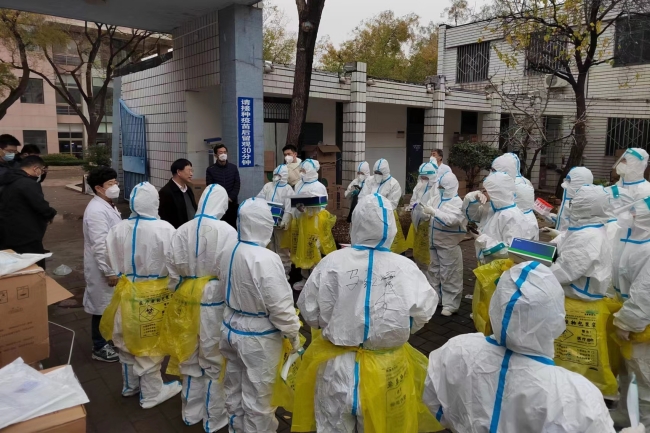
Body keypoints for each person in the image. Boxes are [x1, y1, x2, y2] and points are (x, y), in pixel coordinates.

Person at [295, 193, 437, 432]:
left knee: (332, 426)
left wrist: (335, 322)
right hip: (387, 367)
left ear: (356, 223)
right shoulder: (406, 268)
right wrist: (398, 328)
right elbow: (422, 312)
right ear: (391, 226)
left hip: (336, 365)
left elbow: (310, 312)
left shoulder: (333, 262)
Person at [423, 261, 618, 433]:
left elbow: (434, 400)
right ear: (556, 316)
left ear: (496, 304)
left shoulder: (457, 348)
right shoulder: (575, 394)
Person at [219, 198, 301, 433]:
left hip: (230, 326)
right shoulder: (266, 258)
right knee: (260, 398)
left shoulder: (229, 250)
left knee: (234, 387)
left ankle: (236, 428)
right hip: (258, 337)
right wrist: (293, 333)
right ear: (265, 223)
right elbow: (280, 306)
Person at [102, 182, 182, 408]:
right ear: (154, 202)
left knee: (125, 337)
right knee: (149, 342)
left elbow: (107, 258)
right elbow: (176, 264)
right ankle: (151, 393)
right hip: (154, 294)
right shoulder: (165, 229)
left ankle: (130, 385)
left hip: (126, 290)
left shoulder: (118, 228)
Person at [165, 184, 237, 430]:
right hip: (213, 301)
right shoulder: (227, 231)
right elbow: (230, 271)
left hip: (185, 298)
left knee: (189, 354)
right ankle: (214, 418)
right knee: (214, 357)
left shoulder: (182, 230)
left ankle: (190, 412)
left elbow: (171, 269)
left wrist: (180, 289)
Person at [612, 196, 650, 429]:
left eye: (637, 212)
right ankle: (626, 415)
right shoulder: (632, 237)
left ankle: (644, 425)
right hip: (627, 312)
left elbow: (646, 292)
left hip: (642, 323)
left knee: (644, 381)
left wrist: (627, 321)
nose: (631, 215)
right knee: (628, 373)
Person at [83, 166, 123, 363]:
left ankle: (108, 340)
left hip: (112, 263)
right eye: (110, 183)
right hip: (103, 267)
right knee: (102, 307)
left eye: (115, 182)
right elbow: (100, 244)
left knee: (109, 306)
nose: (115, 186)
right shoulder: (96, 211)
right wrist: (109, 271)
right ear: (98, 188)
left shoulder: (108, 204)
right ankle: (99, 346)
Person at [549, 185, 612, 300]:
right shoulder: (589, 227)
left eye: (574, 202)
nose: (570, 205)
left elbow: (564, 272)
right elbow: (566, 239)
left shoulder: (588, 236)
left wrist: (534, 272)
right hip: (576, 286)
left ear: (584, 207)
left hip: (578, 293)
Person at [423, 171, 467, 316]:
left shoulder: (458, 203)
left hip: (448, 244)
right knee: (434, 271)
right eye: (440, 186)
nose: (441, 189)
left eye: (444, 187)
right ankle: (435, 298)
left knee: (450, 273)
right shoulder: (437, 198)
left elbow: (452, 220)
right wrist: (424, 211)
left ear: (452, 187)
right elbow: (427, 207)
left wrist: (434, 212)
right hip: (434, 241)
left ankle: (451, 304)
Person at [0, 156, 56, 269]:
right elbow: (40, 205)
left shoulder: (8, 180)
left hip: (7, 231)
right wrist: (51, 213)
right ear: (35, 168)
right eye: (42, 170)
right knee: (34, 266)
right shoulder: (27, 183)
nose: (42, 173)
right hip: (26, 234)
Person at [463, 171, 532, 263]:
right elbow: (470, 214)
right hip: (489, 266)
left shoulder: (512, 216)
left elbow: (512, 251)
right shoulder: (492, 208)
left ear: (496, 192)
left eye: (484, 191)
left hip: (503, 269)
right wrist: (473, 199)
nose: (482, 193)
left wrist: (483, 240)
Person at [292, 158, 329, 291]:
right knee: (302, 249)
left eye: (304, 170)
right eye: (301, 170)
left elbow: (323, 205)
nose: (301, 173)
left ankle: (315, 279)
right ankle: (305, 278)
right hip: (301, 221)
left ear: (312, 171)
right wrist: (298, 209)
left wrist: (308, 209)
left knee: (313, 249)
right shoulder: (298, 184)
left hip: (314, 223)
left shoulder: (319, 186)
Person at [359, 158, 407, 254]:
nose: (377, 175)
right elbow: (362, 197)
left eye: (380, 173)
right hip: (368, 217)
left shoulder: (393, 184)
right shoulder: (369, 181)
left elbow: (391, 204)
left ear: (385, 172)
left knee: (389, 245)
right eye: (375, 172)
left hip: (386, 218)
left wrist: (374, 208)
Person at [257, 164, 293, 279]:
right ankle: (271, 269)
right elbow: (259, 199)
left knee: (282, 247)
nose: (276, 177)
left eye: (278, 175)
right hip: (267, 222)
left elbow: (289, 208)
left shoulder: (288, 189)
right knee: (269, 245)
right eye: (275, 174)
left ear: (284, 176)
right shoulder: (268, 186)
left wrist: (285, 220)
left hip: (280, 222)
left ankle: (284, 271)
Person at [548, 167, 593, 233]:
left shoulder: (575, 204)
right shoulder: (574, 201)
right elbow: (565, 220)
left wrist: (559, 235)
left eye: (569, 181)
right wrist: (551, 217)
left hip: (568, 238)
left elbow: (574, 230)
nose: (565, 184)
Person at [207, 144, 240, 230]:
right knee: (219, 228)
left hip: (232, 204)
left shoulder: (233, 168)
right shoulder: (211, 169)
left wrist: (230, 198)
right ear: (215, 155)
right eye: (220, 152)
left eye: (225, 152)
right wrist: (221, 199)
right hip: (218, 205)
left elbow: (237, 184)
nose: (223, 154)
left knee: (232, 228)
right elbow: (210, 186)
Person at [158, 159, 197, 229]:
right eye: (189, 171)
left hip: (191, 230)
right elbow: (165, 218)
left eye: (192, 171)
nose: (191, 174)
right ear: (179, 172)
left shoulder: (188, 189)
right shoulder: (166, 192)